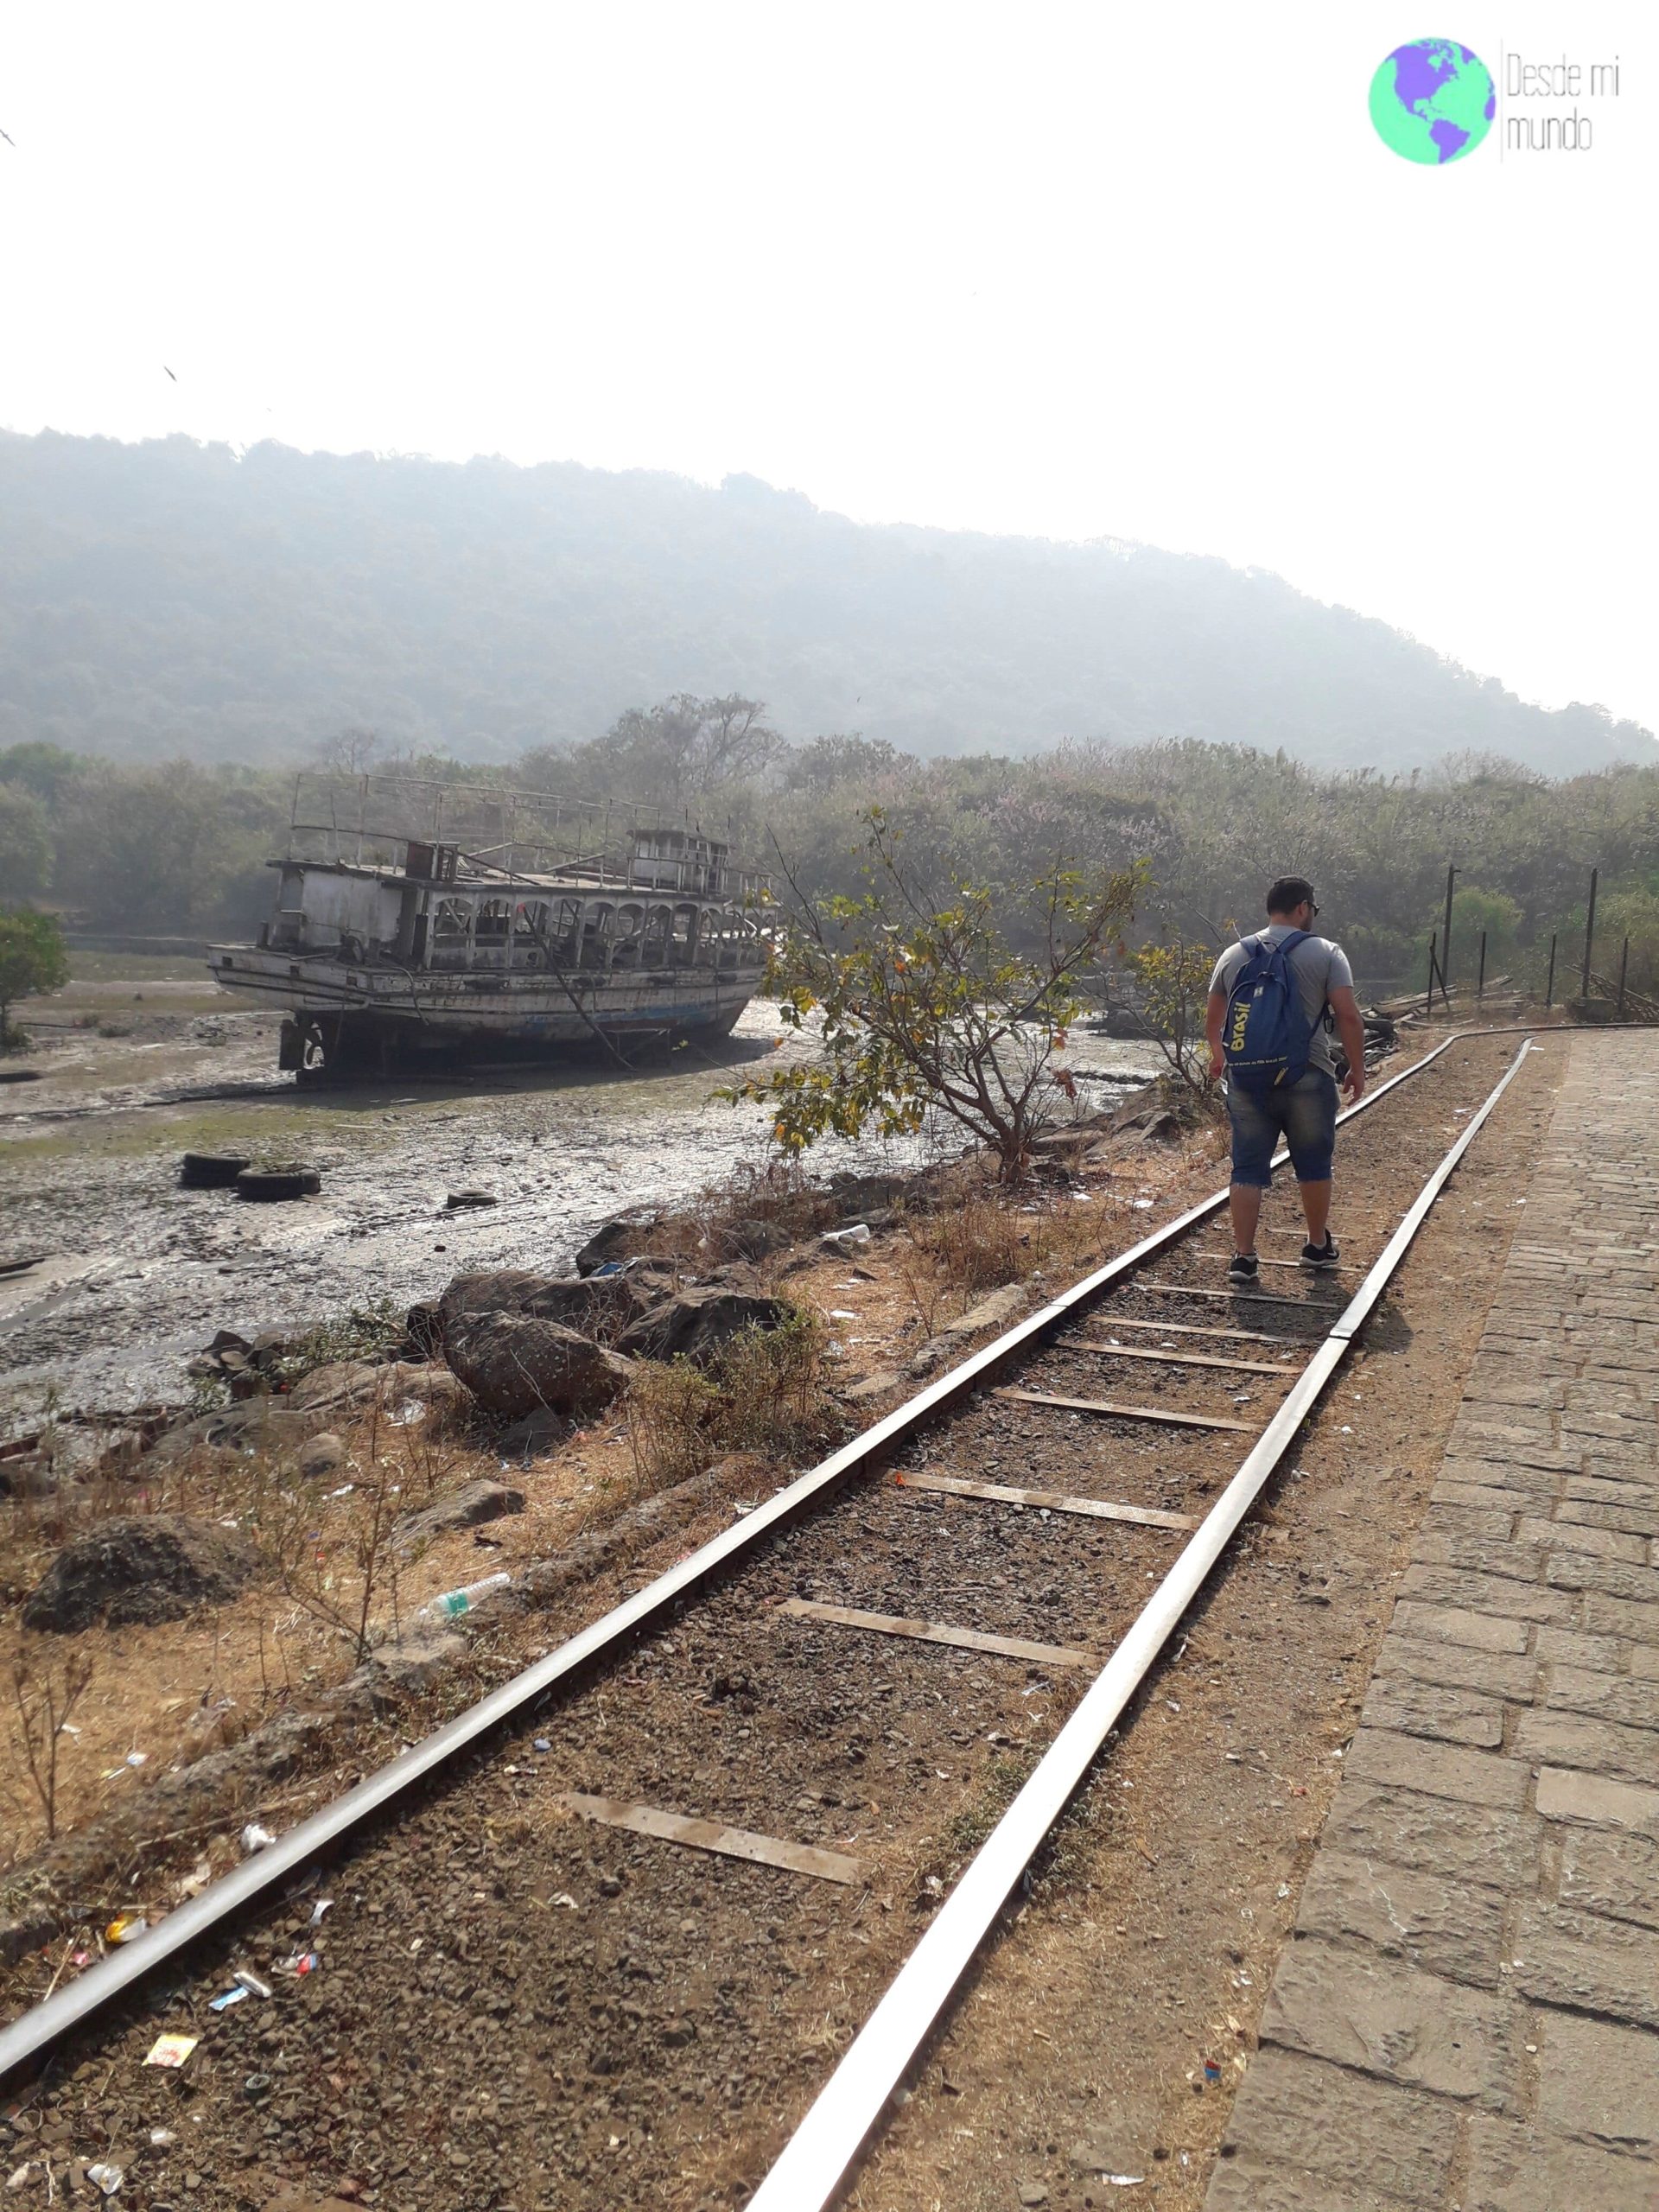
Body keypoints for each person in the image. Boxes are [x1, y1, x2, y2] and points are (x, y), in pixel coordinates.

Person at [1205, 876, 1367, 1285]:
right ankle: (1316, 1246)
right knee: (1313, 1162)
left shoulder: (1234, 954)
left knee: (1247, 1168)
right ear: (1302, 908)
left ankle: (1243, 1257)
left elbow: (1213, 1021)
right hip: (1307, 1074)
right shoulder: (1327, 953)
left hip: (1248, 1079)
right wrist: (1356, 1068)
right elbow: (1348, 1015)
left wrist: (1221, 1058)